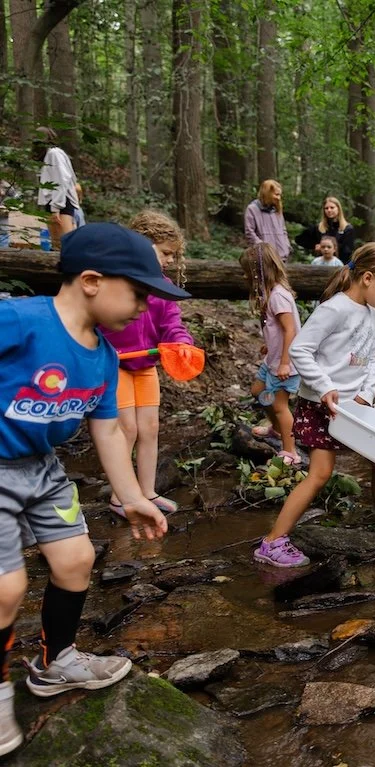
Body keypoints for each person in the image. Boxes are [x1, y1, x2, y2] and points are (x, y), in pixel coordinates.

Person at [0, 223, 173, 755]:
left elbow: (109, 433)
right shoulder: (19, 320)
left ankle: (57, 663)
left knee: (75, 561)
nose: (145, 308)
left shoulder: (103, 358)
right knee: (6, 590)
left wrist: (135, 497)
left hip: (43, 469)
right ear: (93, 280)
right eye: (140, 293)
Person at [253, 243, 375, 568]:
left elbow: (372, 358)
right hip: (322, 406)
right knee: (320, 473)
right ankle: (272, 542)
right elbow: (301, 350)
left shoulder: (371, 313)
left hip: (354, 408)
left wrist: (367, 393)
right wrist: (326, 387)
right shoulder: (334, 308)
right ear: (368, 278)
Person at [100, 210, 197, 516]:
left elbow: (172, 323)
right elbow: (99, 322)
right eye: (166, 253)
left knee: (150, 427)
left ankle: (147, 492)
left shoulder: (163, 286)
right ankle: (120, 495)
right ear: (144, 244)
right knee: (126, 429)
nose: (169, 260)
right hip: (115, 363)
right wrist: (100, 349)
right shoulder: (116, 279)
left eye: (173, 255)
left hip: (145, 365)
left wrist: (182, 342)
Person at [241, 242, 302, 466]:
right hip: (273, 359)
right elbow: (278, 330)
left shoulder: (278, 295)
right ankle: (276, 429)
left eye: (247, 272)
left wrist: (285, 362)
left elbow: (291, 330)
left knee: (280, 406)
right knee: (258, 390)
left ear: (259, 272)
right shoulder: (270, 294)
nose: (244, 276)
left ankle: (290, 451)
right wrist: (270, 345)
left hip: (285, 363)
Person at [33, 127, 80, 249]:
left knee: (67, 244)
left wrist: (56, 208)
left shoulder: (54, 153)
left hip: (61, 203)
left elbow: (62, 180)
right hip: (53, 202)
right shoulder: (49, 155)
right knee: (56, 245)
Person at [295, 196, 356, 263]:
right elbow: (299, 239)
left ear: (338, 209)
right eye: (326, 208)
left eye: (332, 208)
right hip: (321, 264)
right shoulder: (319, 227)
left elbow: (348, 252)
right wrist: (314, 246)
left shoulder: (347, 228)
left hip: (340, 265)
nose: (329, 210)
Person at [244, 180, 291, 262]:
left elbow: (283, 231)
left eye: (280, 195)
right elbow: (250, 233)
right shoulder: (252, 209)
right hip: (264, 259)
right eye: (276, 194)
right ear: (267, 193)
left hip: (282, 257)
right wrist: (264, 249)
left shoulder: (277, 209)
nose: (279, 198)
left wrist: (287, 246)